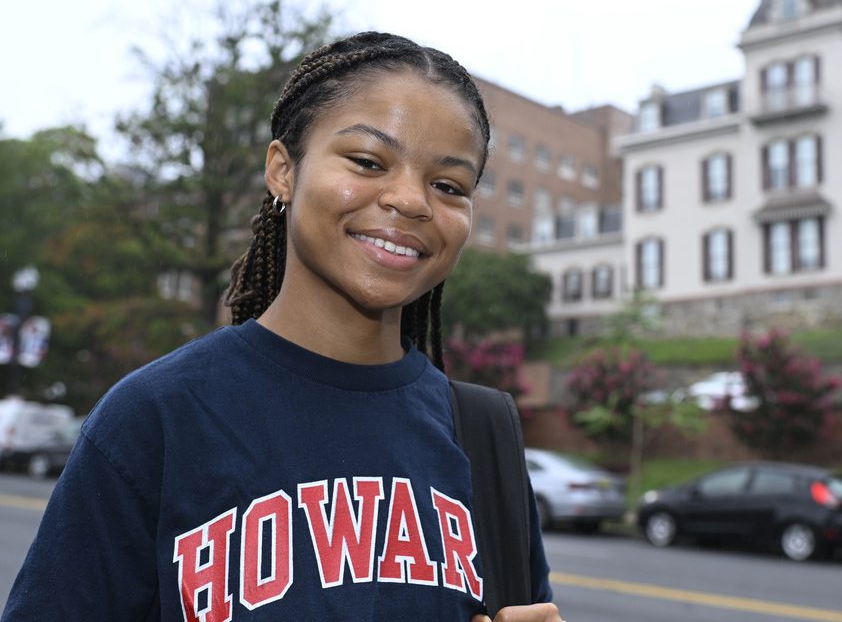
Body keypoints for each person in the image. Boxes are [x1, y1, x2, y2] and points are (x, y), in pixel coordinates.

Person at [2, 32, 561, 622]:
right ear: (283, 171)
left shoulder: (482, 434)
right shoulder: (157, 417)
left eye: (448, 186)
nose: (409, 201)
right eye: (368, 162)